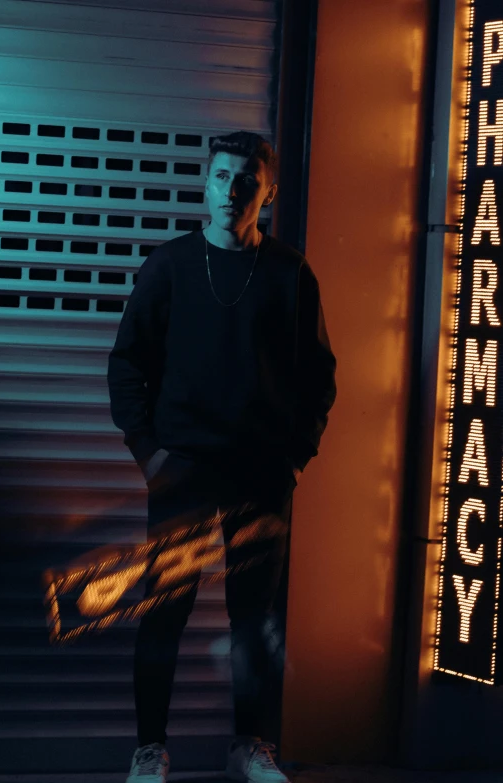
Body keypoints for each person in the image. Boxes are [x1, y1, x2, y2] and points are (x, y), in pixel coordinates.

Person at [107, 131, 337, 783]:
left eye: (247, 179)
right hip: (181, 471)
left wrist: (293, 459)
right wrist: (150, 454)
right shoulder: (170, 265)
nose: (232, 189)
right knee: (165, 612)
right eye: (222, 175)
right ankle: (149, 750)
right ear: (205, 183)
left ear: (267, 192)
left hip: (260, 476)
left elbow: (319, 375)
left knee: (254, 617)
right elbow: (127, 364)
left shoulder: (291, 274)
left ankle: (250, 748)